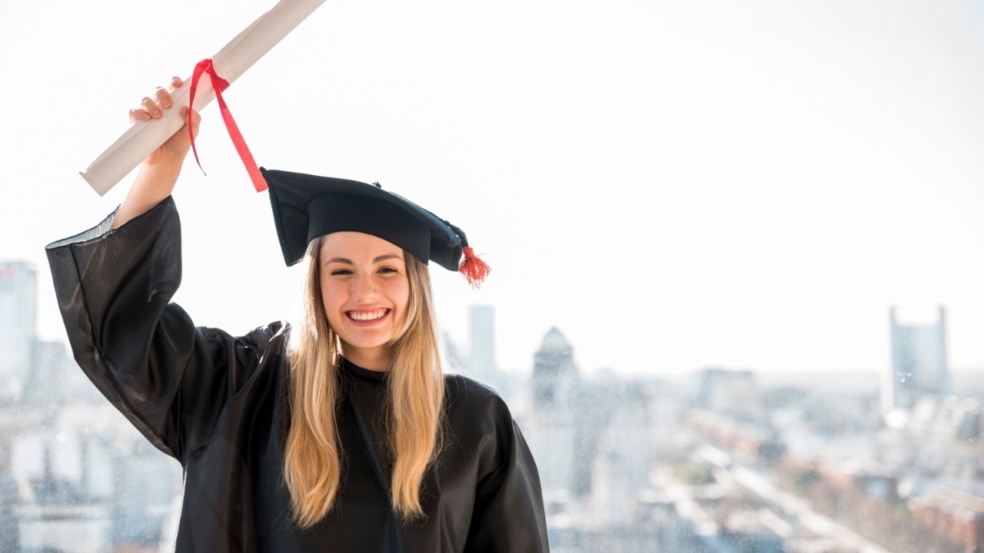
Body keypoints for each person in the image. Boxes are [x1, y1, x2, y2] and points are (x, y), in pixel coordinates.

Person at [46, 77, 550, 552]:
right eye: (341, 271)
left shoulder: (478, 425)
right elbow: (121, 336)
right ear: (316, 283)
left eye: (387, 269)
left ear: (416, 284)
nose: (364, 291)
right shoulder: (246, 390)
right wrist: (158, 171)